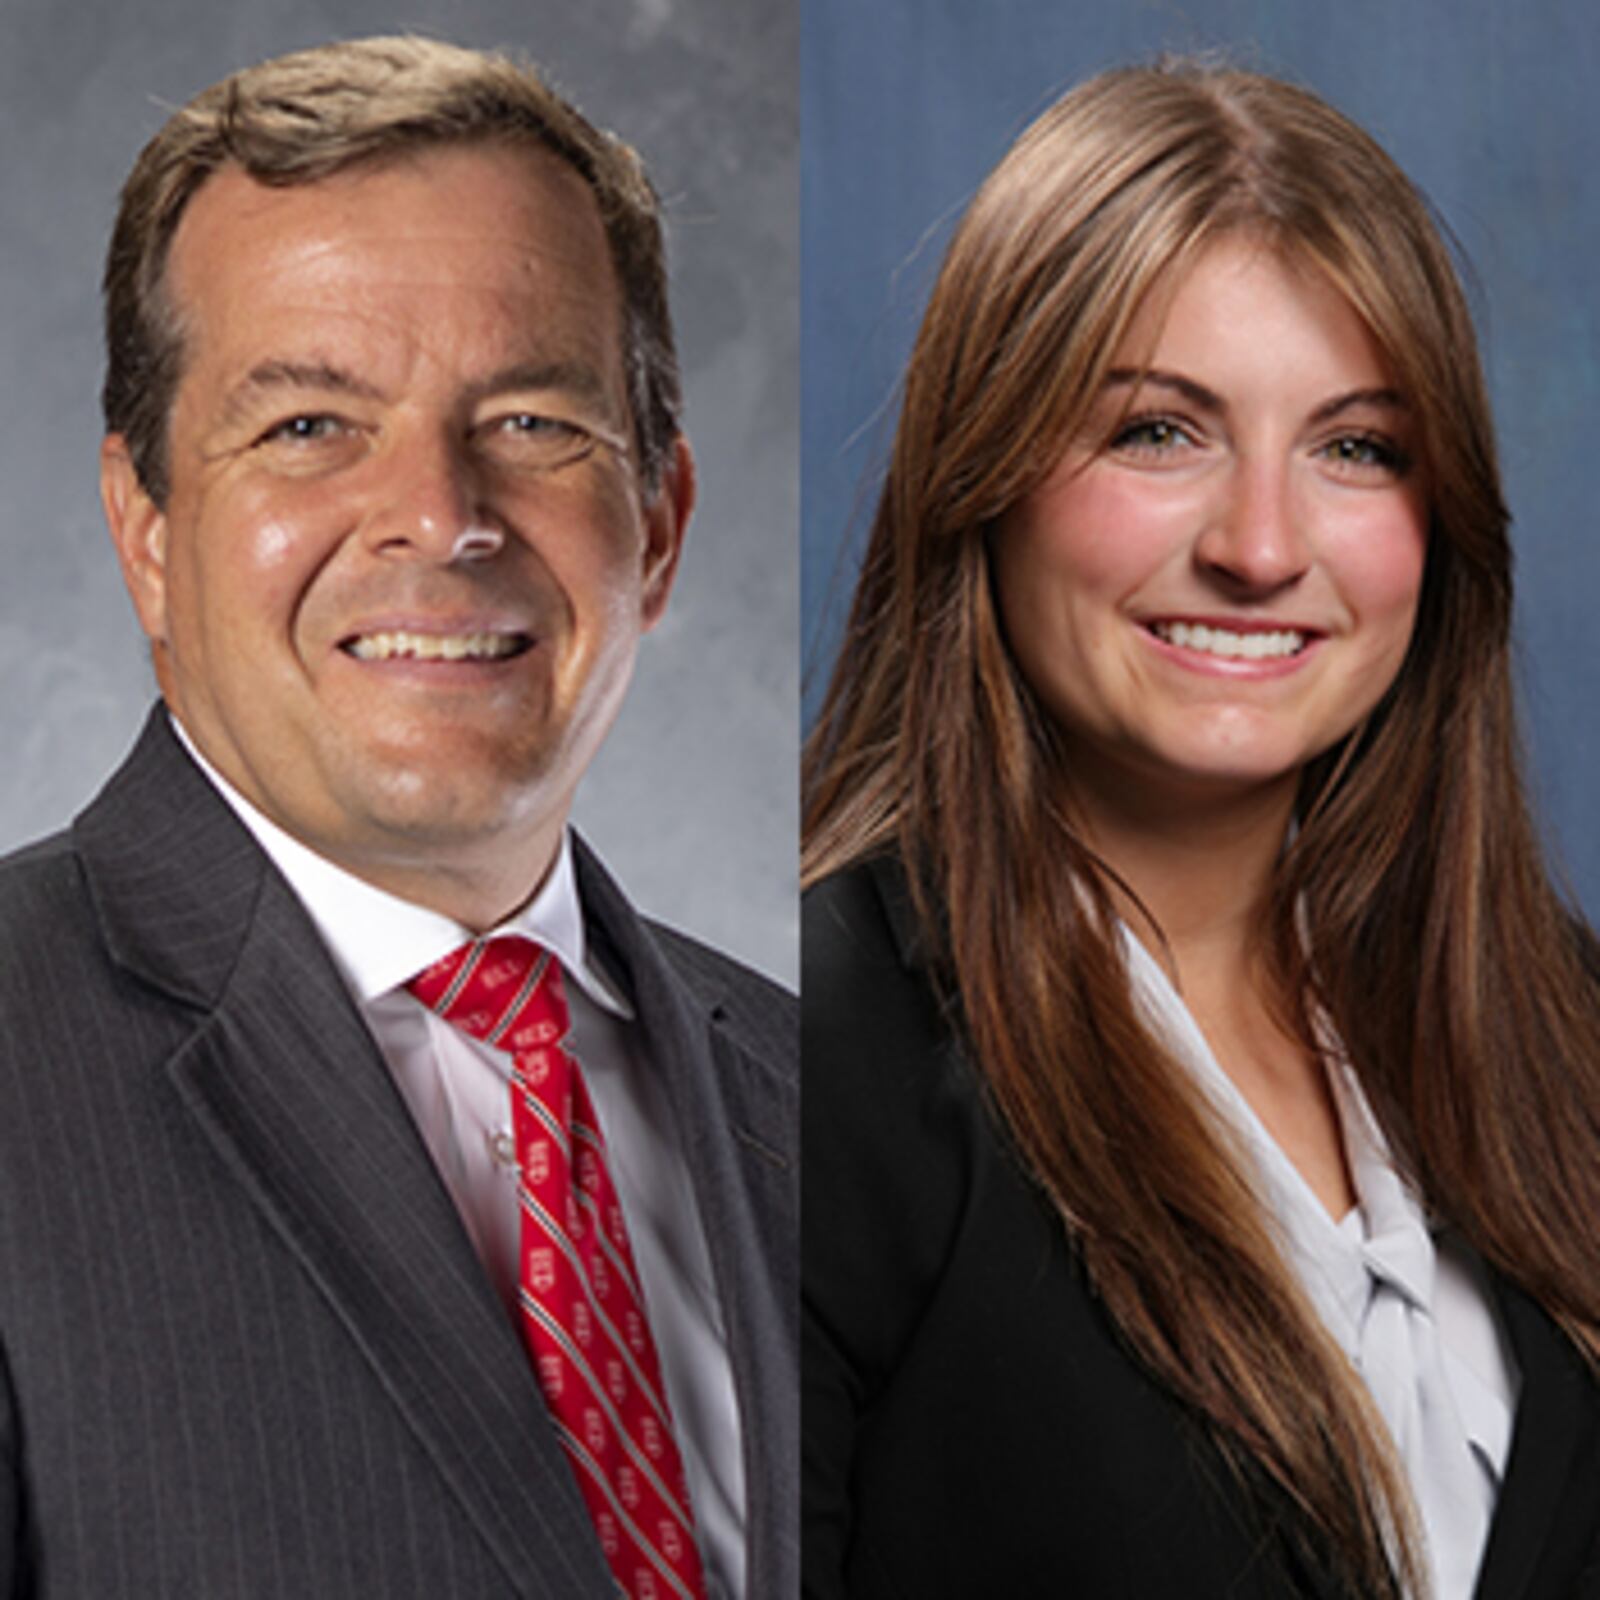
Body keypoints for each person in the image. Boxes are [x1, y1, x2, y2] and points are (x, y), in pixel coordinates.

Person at [0, 36, 794, 1600]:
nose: (441, 512)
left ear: (661, 526)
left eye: (534, 421)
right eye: (308, 424)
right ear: (146, 531)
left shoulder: (822, 1092)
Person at [802, 59, 1600, 1600]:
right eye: (1159, 432)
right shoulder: (817, 1070)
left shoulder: (1566, 1030)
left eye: (1357, 447)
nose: (1258, 546)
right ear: (987, 476)